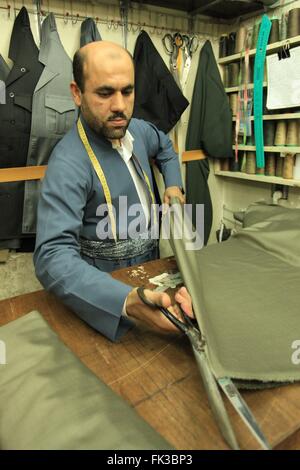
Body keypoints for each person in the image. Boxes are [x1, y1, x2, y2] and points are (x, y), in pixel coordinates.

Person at [34, 41, 193, 341]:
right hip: (107, 293)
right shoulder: (68, 163)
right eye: (105, 93)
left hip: (155, 269)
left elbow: (167, 149)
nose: (119, 105)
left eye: (127, 91)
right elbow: (51, 256)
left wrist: (173, 184)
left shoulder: (139, 131)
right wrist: (124, 301)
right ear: (77, 94)